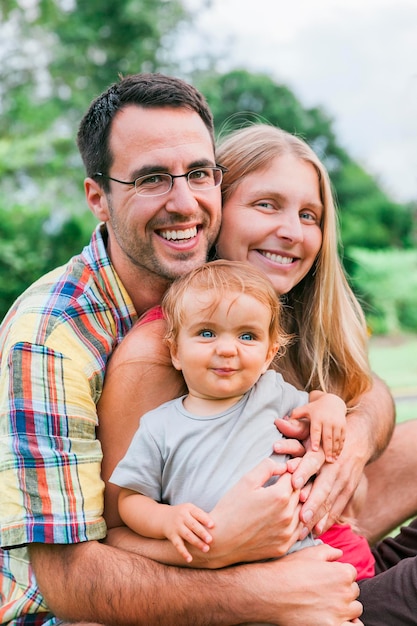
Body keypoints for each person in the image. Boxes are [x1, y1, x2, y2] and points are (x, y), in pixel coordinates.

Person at [0, 74, 363, 626]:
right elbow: (67, 581)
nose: (183, 202)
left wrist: (349, 434)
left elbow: (364, 389)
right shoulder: (50, 339)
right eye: (150, 179)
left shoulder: (214, 294)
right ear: (98, 196)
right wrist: (262, 588)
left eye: (198, 174)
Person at [98, 122, 417, 624]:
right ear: (216, 210)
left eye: (309, 214)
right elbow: (117, 539)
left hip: (339, 556)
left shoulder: (283, 324)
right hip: (296, 595)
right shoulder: (160, 354)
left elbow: (363, 386)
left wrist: (347, 427)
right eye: (266, 205)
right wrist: (219, 552)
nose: (291, 231)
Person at [109, 259, 353, 565]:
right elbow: (130, 500)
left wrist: (331, 404)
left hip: (297, 558)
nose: (227, 349)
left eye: (247, 336)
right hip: (218, 574)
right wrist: (166, 518)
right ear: (176, 352)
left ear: (268, 355)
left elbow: (316, 402)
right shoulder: (159, 426)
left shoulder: (272, 393)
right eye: (207, 333)